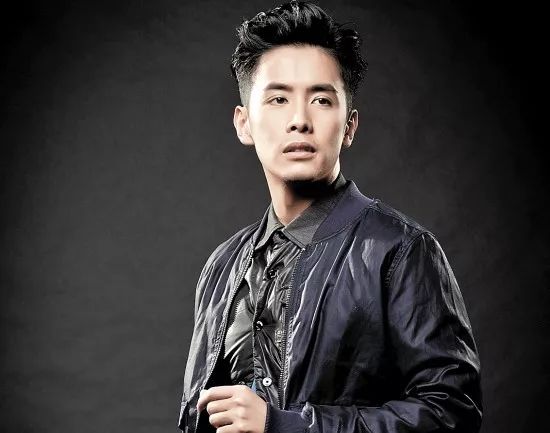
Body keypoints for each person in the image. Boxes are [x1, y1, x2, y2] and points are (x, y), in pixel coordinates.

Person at [177, 1, 482, 432]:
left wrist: (286, 426)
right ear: (244, 124)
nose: (300, 120)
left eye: (321, 99)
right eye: (278, 99)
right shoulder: (222, 267)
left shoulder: (400, 251)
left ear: (349, 126)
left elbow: (451, 413)